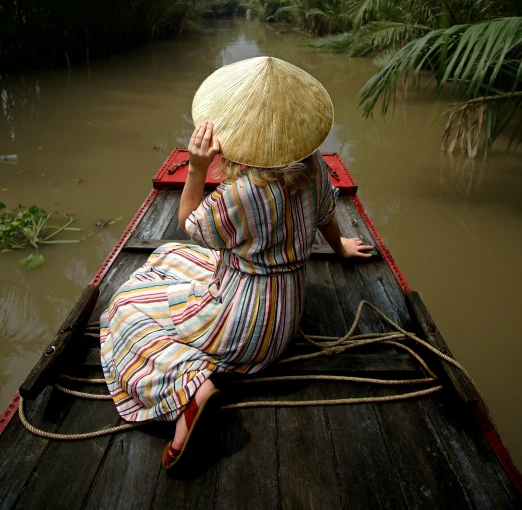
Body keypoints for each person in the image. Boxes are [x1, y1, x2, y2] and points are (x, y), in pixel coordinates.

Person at [100, 57, 373, 470]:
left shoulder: (241, 193)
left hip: (244, 325)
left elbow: (188, 221)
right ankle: (195, 379)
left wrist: (196, 168)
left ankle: (190, 392)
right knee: (170, 257)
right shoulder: (315, 168)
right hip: (286, 312)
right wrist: (340, 250)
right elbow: (325, 215)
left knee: (123, 311)